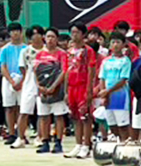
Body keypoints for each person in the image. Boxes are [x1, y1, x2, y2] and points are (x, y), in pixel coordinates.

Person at [33, 29, 70, 155]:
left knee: (58, 116)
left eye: (53, 37)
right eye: (48, 36)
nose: (50, 39)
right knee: (44, 117)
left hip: (57, 91)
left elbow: (64, 72)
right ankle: (45, 142)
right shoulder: (39, 55)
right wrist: (39, 86)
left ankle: (58, 142)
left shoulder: (62, 54)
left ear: (57, 39)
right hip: (43, 92)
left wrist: (54, 87)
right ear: (44, 38)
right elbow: (35, 71)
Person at [64, 26, 99, 158]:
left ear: (83, 34)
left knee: (85, 117)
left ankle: (86, 145)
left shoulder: (88, 51)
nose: (74, 35)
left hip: (83, 86)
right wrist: (66, 90)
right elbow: (67, 70)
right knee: (75, 117)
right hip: (72, 87)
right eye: (72, 32)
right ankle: (78, 144)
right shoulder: (70, 51)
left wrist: (89, 90)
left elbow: (91, 70)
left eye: (77, 32)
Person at [98, 33, 133, 140]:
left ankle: (125, 146)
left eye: (118, 42)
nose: (115, 45)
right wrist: (104, 95)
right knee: (112, 126)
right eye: (113, 42)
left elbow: (123, 80)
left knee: (122, 126)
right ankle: (118, 143)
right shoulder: (106, 61)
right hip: (108, 98)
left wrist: (107, 91)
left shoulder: (126, 61)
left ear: (123, 45)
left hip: (120, 98)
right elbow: (102, 78)